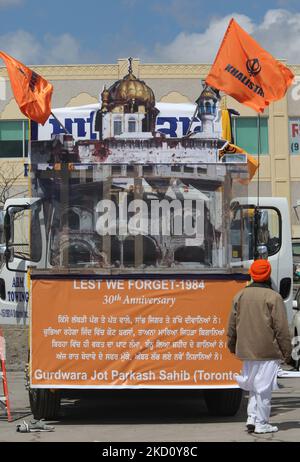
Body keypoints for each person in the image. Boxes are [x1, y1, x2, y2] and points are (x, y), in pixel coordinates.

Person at [227, 259, 292, 434]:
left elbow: (231, 325)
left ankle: (252, 418)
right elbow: (281, 329)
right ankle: (262, 423)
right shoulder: (274, 297)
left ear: (252, 275)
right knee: (263, 389)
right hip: (267, 351)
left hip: (246, 350)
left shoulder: (240, 295)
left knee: (254, 387)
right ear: (268, 275)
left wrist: (232, 345)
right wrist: (287, 353)